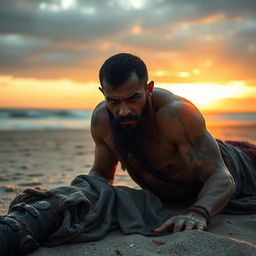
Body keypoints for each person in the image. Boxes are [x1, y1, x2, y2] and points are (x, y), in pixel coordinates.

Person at [1, 53, 256, 255]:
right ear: (103, 94)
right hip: (167, 194)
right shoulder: (103, 119)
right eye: (114, 101)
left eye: (133, 99)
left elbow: (222, 177)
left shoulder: (176, 115)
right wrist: (77, 201)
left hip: (240, 166)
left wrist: (198, 212)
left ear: (149, 89)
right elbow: (101, 177)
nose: (123, 111)